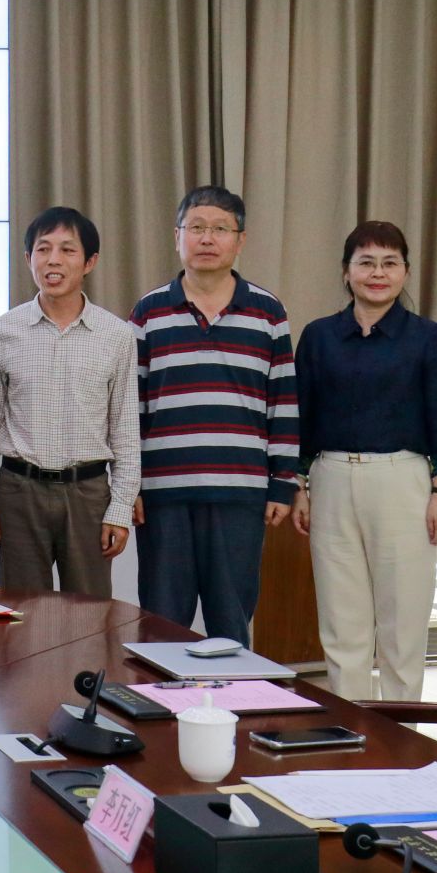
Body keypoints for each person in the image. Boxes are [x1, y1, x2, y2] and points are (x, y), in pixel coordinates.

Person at [293, 222, 437, 702]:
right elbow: (302, 416)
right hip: (331, 478)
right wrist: (298, 484)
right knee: (341, 623)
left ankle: (402, 729)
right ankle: (351, 728)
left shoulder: (427, 338)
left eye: (390, 263)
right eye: (366, 263)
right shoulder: (319, 337)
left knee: (403, 623)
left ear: (405, 271)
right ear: (346, 271)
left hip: (403, 481)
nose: (378, 273)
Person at [129, 185, 299, 645]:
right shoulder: (148, 312)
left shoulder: (268, 312)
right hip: (164, 495)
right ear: (177, 237)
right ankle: (163, 694)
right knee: (162, 626)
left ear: (240, 240)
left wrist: (283, 482)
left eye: (221, 229)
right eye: (197, 227)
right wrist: (130, 486)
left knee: (231, 625)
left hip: (240, 493)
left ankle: (237, 695)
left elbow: (283, 401)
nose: (207, 238)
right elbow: (129, 407)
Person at [0, 206, 140, 596]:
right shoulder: (3, 331)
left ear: (89, 262)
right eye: (43, 249)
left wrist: (120, 508)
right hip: (19, 491)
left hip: (88, 494)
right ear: (28, 258)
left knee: (88, 614)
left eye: (67, 250)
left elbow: (125, 429)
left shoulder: (116, 334)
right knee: (24, 612)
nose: (53, 260)